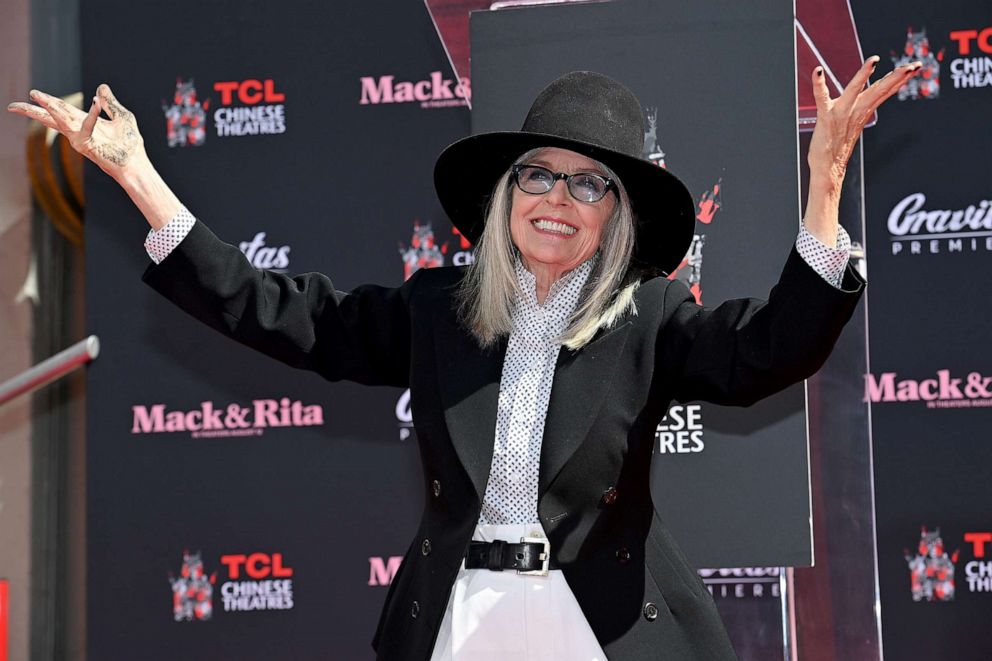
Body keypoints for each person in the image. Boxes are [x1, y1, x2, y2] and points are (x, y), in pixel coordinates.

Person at [9, 58, 921, 660]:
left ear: (616, 216)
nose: (558, 198)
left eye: (590, 183)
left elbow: (769, 350)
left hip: (597, 622)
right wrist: (137, 173)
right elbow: (273, 310)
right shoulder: (438, 310)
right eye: (538, 173)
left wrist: (827, 184)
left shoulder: (648, 317)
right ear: (504, 192)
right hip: (458, 618)